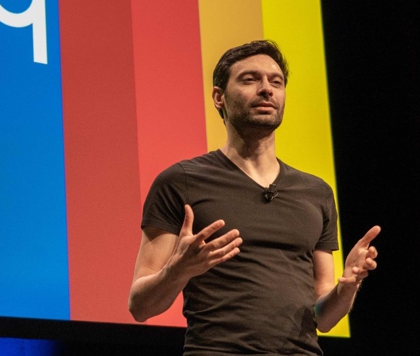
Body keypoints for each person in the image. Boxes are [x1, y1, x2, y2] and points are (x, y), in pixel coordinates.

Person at [128, 40, 379, 355]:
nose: (266, 90)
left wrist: (348, 287)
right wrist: (178, 270)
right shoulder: (180, 182)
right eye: (250, 80)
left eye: (276, 82)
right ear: (219, 97)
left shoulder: (316, 192)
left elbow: (323, 317)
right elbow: (140, 306)